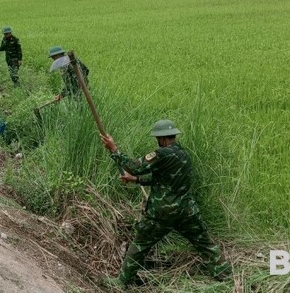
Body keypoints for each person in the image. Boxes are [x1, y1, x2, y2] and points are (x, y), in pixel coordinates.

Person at [99, 120, 231, 288]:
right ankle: (225, 277)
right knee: (205, 243)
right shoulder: (184, 155)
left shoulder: (161, 154)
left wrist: (114, 150)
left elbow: (133, 166)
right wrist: (136, 180)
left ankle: (122, 282)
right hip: (187, 211)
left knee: (140, 244)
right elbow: (163, 180)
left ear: (161, 139)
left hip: (163, 213)